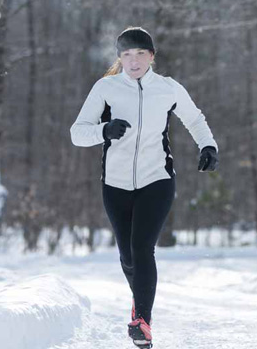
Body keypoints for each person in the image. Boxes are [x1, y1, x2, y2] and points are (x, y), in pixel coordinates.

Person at [70, 27, 219, 349]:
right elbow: (77, 133)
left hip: (158, 178)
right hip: (115, 183)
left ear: (151, 56)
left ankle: (142, 321)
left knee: (142, 249)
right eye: (126, 54)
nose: (133, 60)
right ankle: (140, 308)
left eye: (140, 53)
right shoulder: (106, 88)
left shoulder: (167, 88)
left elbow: (195, 119)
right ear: (119, 58)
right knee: (127, 257)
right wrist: (104, 130)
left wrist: (208, 146)